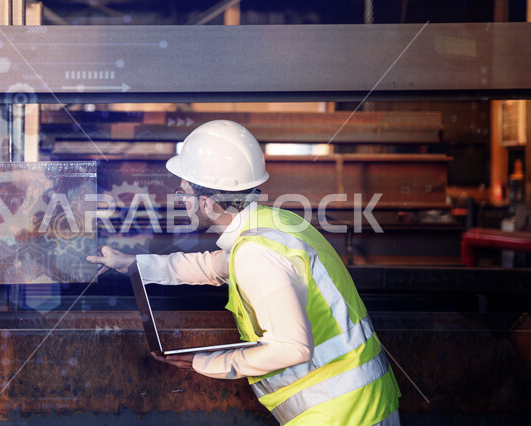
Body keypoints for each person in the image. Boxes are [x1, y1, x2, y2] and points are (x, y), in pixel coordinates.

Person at [87, 120, 401, 425]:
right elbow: (211, 266)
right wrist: (130, 263)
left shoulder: (257, 252)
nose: (179, 199)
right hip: (360, 400)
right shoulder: (275, 224)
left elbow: (292, 348)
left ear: (208, 203)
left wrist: (207, 363)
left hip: (337, 412)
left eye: (183, 192)